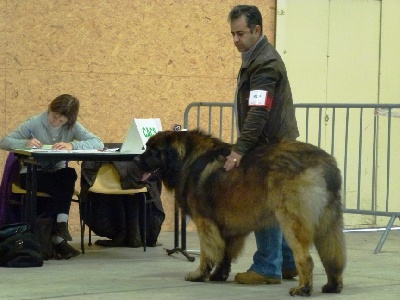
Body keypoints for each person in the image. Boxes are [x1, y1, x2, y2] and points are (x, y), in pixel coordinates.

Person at [224, 5, 300, 284]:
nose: (235, 40)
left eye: (240, 33)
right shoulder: (255, 58)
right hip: (275, 146)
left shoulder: (265, 63)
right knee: (278, 206)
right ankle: (289, 263)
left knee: (263, 205)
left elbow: (259, 111)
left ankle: (267, 267)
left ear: (257, 30)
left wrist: (239, 149)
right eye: (232, 34)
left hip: (270, 148)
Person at [0, 94, 104, 259]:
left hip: (56, 174)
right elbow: (5, 141)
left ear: (68, 120)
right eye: (54, 117)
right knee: (65, 181)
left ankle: (54, 234)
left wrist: (72, 145)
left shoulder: (72, 126)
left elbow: (98, 142)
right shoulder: (34, 123)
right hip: (32, 173)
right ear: (50, 109)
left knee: (68, 174)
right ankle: (58, 233)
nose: (56, 122)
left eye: (61, 121)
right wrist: (25, 143)